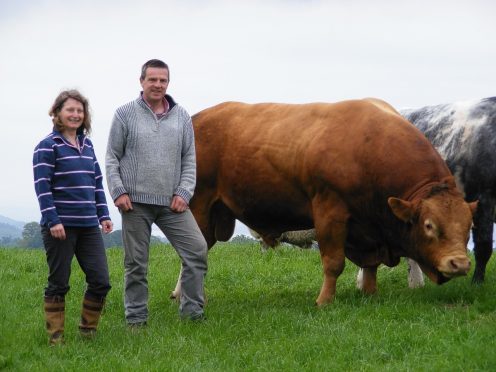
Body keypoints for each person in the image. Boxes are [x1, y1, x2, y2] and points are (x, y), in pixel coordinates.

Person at [106, 59, 208, 326]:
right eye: (152, 79)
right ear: (141, 81)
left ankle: (192, 314)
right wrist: (118, 192)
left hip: (172, 203)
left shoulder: (182, 116)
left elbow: (189, 159)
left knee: (197, 251)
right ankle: (136, 321)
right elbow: (111, 157)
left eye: (163, 80)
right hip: (134, 203)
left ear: (168, 83)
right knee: (136, 265)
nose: (158, 85)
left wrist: (184, 193)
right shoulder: (124, 114)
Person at [33, 90, 113, 345]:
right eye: (70, 110)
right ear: (57, 113)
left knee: (101, 281)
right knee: (59, 282)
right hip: (60, 227)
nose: (76, 114)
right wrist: (53, 220)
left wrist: (104, 214)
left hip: (89, 225)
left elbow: (97, 183)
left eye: (80, 110)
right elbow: (42, 187)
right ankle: (55, 338)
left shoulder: (87, 145)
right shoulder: (47, 146)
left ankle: (87, 332)